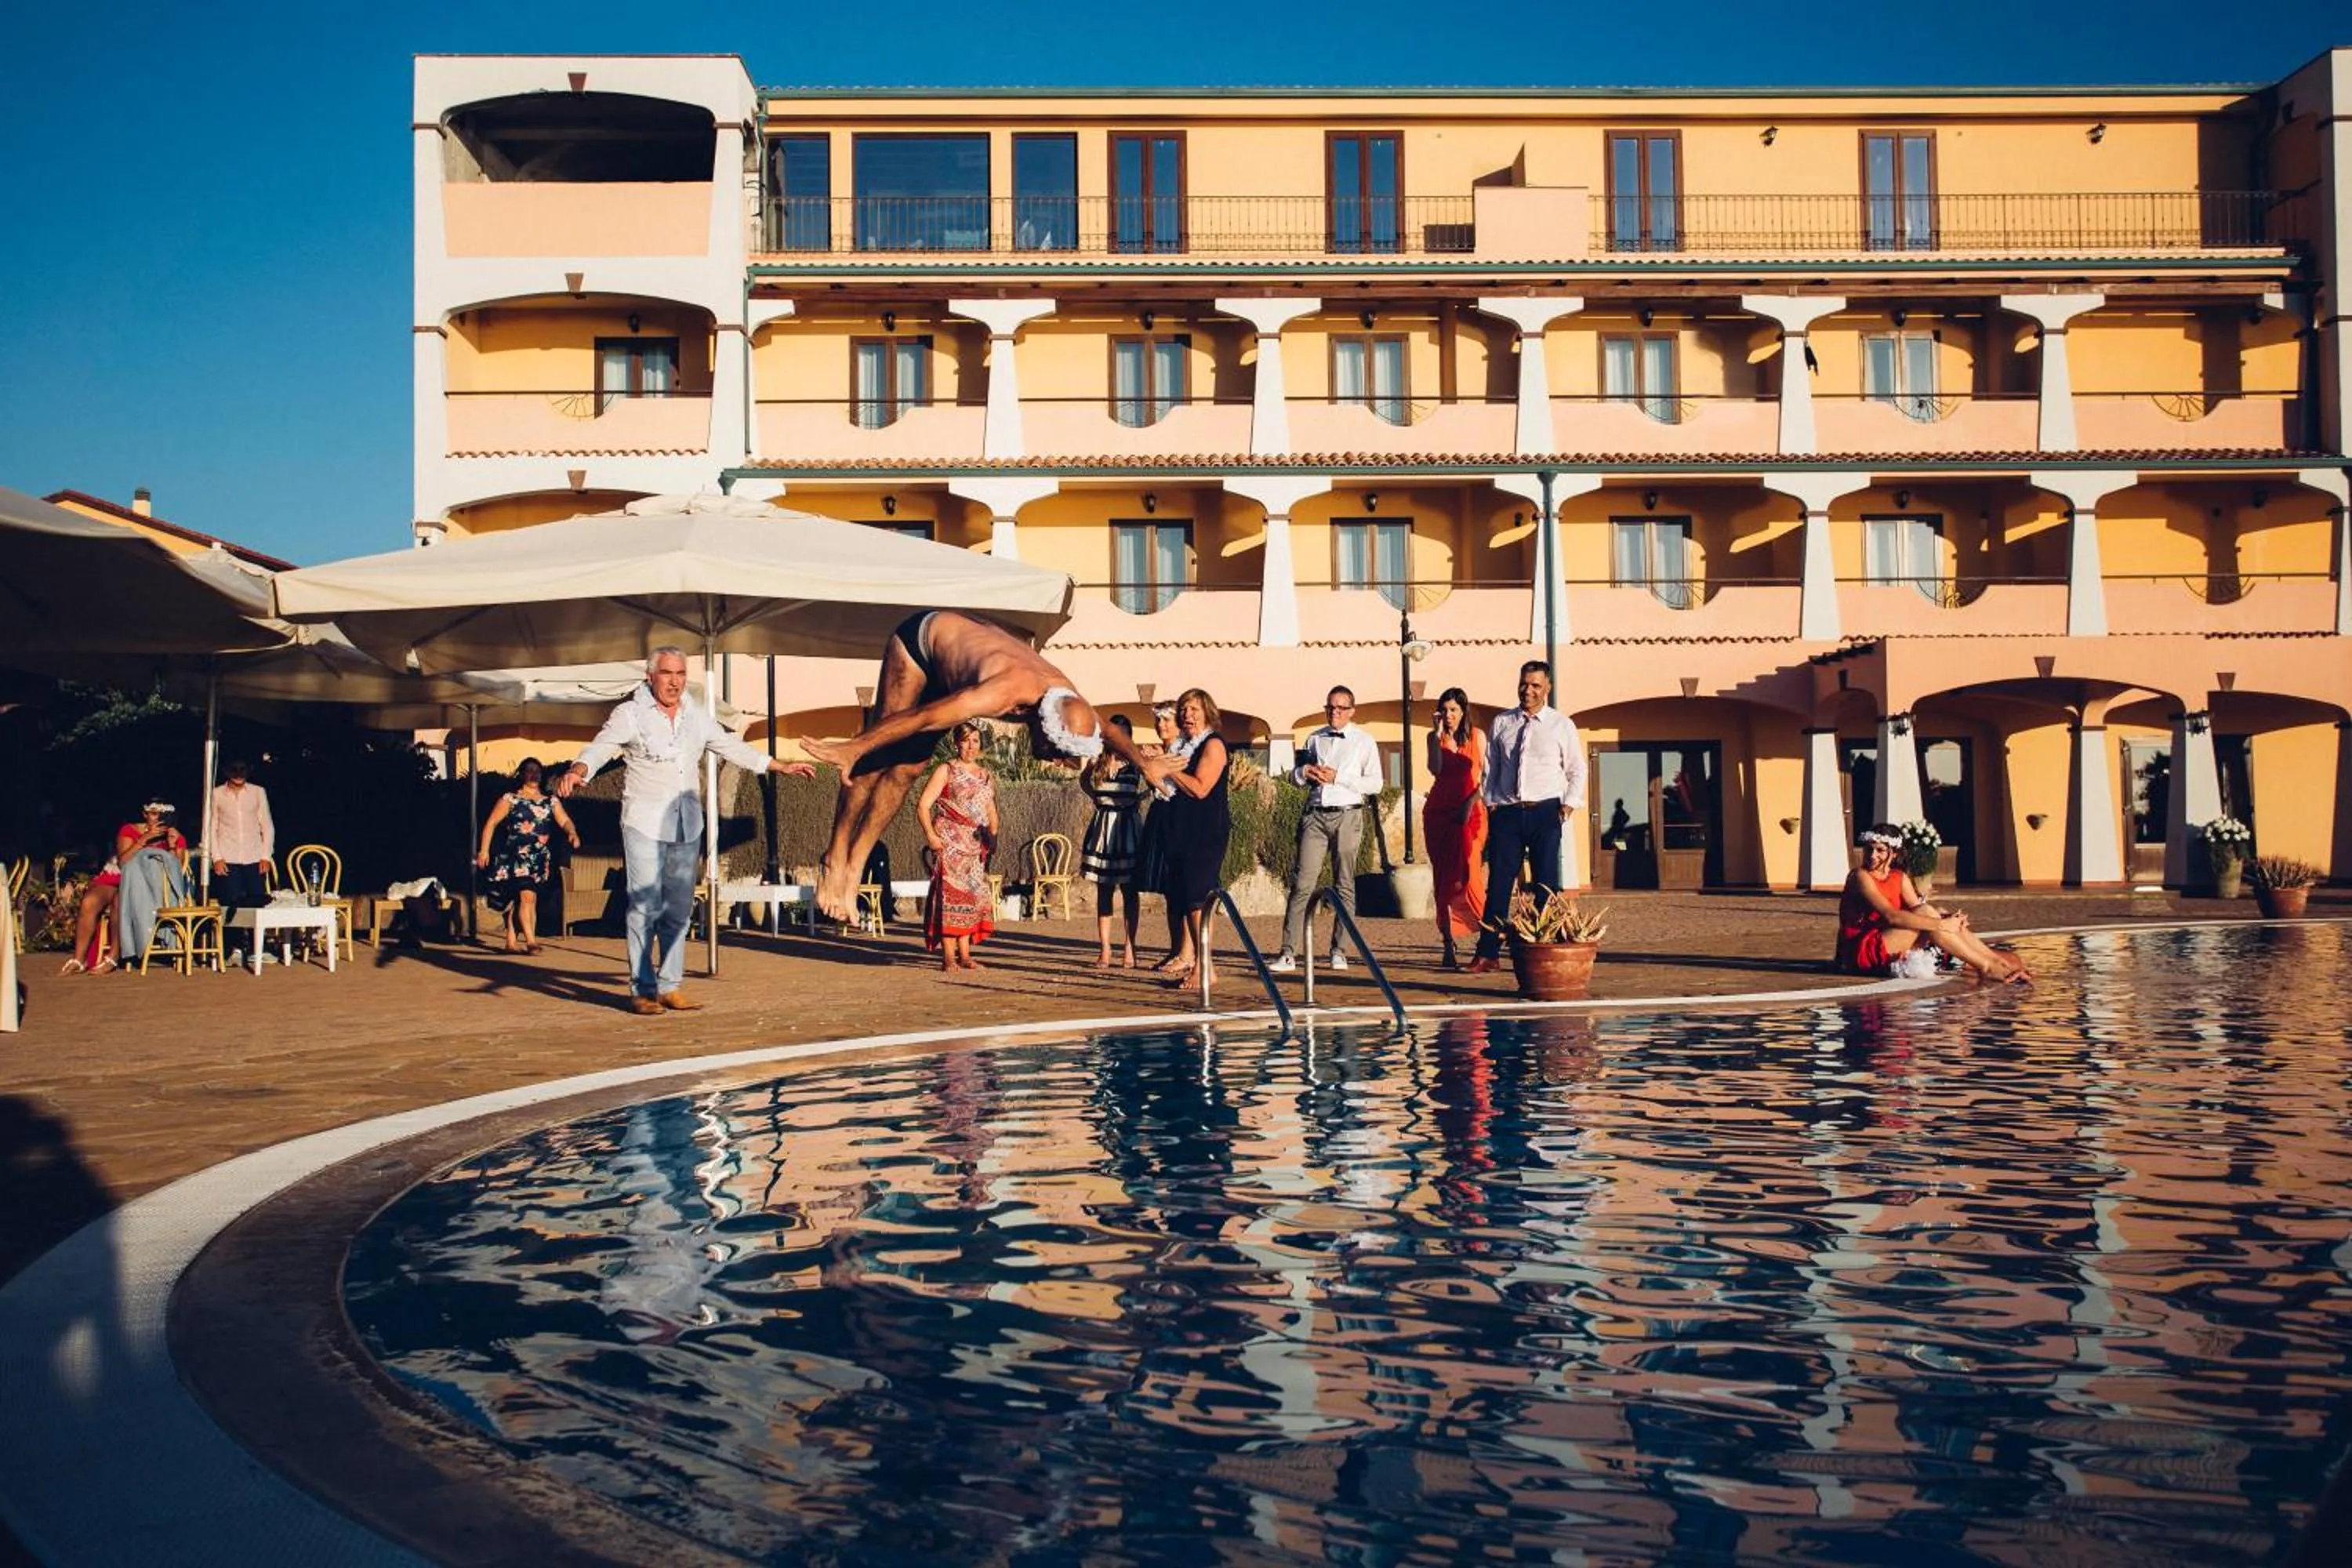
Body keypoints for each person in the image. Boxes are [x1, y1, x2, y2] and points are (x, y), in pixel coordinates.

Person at [802, 611, 1156, 922]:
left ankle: (855, 863)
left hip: (955, 668)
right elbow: (922, 717)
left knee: (908, 770)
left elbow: (1110, 731)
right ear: (1041, 724)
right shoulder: (1000, 693)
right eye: (1052, 749)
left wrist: (1146, 764)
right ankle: (835, 856)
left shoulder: (1070, 703)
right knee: (876, 759)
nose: (1052, 758)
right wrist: (857, 745)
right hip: (921, 644)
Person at [556, 648, 816, 1016]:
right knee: (644, 906)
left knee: (678, 908)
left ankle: (670, 985)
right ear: (651, 677)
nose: (675, 681)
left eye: (680, 673)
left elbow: (731, 746)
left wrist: (778, 766)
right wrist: (579, 771)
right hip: (643, 823)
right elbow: (601, 747)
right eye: (667, 673)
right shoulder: (630, 714)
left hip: (686, 823)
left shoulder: (696, 716)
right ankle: (642, 989)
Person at [1466, 661, 1585, 975]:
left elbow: (1576, 769)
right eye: (1524, 684)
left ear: (1548, 688)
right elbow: (1491, 768)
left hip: (1546, 811)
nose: (1527, 690)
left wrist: (1569, 805)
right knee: (1499, 884)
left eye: (1535, 685)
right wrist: (1491, 802)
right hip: (1507, 813)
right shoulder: (1503, 722)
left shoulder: (1562, 725)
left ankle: (1543, 949)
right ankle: (1487, 953)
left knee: (1547, 883)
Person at [1270, 686, 1384, 974]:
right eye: (1331, 707)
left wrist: (1339, 777)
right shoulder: (1314, 738)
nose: (1335, 712)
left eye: (1341, 708)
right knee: (1302, 883)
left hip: (1348, 815)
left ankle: (1339, 950)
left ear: (1352, 711)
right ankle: (1288, 952)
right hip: (1316, 815)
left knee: (1344, 883)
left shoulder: (1364, 741)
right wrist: (1304, 773)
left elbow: (1375, 784)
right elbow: (1296, 776)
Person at [1837, 823, 2030, 983]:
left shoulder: (1899, 877)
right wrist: (1941, 924)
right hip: (1861, 951)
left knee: (1939, 912)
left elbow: (1918, 910)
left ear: (1894, 854)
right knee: (1931, 915)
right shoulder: (1860, 876)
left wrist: (1948, 919)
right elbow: (1892, 916)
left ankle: (1996, 963)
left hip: (1889, 941)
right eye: (1869, 849)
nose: (1872, 855)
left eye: (1880, 850)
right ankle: (1987, 967)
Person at [1148, 689, 1232, 993]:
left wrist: (1169, 767)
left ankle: (1206, 966)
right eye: (1184, 709)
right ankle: (1196, 959)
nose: (1188, 715)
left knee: (1198, 897)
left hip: (1206, 830)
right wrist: (1154, 767)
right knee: (1184, 898)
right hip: (1179, 828)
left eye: (1194, 709)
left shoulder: (1214, 745)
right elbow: (1164, 784)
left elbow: (1200, 788)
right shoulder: (1182, 747)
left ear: (1208, 712)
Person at [65, 800, 187, 974]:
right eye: (153, 813)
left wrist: (173, 845)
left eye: (162, 814)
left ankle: (114, 956)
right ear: (145, 814)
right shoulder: (130, 830)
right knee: (89, 902)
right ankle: (78, 959)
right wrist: (143, 840)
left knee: (120, 900)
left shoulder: (174, 836)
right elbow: (123, 862)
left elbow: (176, 871)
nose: (157, 818)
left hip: (145, 885)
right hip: (118, 876)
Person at [917, 721, 1000, 973]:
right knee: (950, 898)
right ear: (957, 744)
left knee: (971, 899)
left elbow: (991, 811)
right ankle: (948, 958)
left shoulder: (986, 775)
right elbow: (923, 805)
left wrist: (993, 837)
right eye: (966, 741)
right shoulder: (946, 770)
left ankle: (965, 955)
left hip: (975, 846)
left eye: (975, 741)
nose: (971, 746)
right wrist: (931, 836)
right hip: (950, 842)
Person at [476, 757, 580, 956]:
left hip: (539, 858)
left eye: (537, 771)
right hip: (516, 856)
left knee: (523, 898)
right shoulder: (510, 799)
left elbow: (565, 820)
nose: (534, 775)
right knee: (527, 896)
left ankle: (511, 941)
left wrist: (572, 832)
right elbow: (491, 824)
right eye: (530, 771)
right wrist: (484, 850)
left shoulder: (551, 801)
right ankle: (532, 942)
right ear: (522, 774)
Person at [1422, 687, 1490, 970]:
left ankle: (1488, 940)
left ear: (1463, 712)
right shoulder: (1433, 737)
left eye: (1454, 710)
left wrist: (1470, 803)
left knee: (1471, 873)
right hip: (1439, 813)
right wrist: (1438, 736)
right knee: (1444, 882)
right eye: (1445, 710)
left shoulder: (1478, 737)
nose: (1449, 716)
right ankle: (1448, 944)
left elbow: (1487, 777)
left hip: (1471, 812)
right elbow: (1436, 770)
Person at [1134, 702, 1199, 973]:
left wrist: (1155, 768)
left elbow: (1178, 789)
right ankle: (1175, 949)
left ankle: (1188, 952)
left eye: (1166, 720)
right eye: (1158, 721)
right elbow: (1158, 788)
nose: (1161, 726)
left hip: (1180, 819)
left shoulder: (1184, 752)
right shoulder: (1166, 751)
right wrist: (1149, 768)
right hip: (1161, 815)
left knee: (1184, 890)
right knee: (1169, 889)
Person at [1080, 714, 1146, 968]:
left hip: (1128, 827)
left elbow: (1155, 778)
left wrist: (1139, 798)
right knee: (1104, 891)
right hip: (1103, 829)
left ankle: (1130, 946)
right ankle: (1105, 948)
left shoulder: (1135, 761)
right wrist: (1096, 798)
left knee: (1130, 891)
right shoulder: (1098, 760)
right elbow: (1084, 781)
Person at [207, 759, 274, 961]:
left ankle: (256, 948)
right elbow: (211, 827)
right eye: (234, 771)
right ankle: (234, 948)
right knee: (231, 901)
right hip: (229, 855)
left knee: (256, 901)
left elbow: (267, 825)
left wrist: (265, 855)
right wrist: (217, 858)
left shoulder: (257, 792)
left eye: (242, 771)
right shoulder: (217, 794)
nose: (238, 775)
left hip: (254, 855)